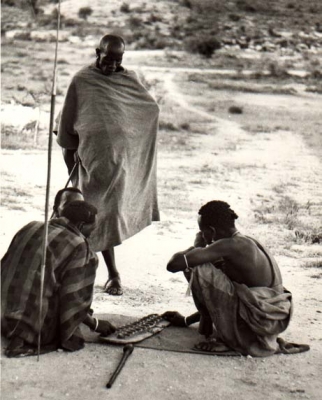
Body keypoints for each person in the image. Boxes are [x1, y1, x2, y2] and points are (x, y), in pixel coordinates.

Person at [56, 34, 160, 296]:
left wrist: (132, 137)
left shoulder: (129, 79)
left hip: (120, 165)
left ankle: (112, 274)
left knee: (108, 218)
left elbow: (150, 108)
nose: (113, 64)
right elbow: (67, 122)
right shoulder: (82, 80)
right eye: (108, 58)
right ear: (97, 52)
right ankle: (73, 273)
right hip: (91, 162)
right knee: (84, 216)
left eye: (118, 59)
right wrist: (72, 164)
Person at [164, 201, 308, 357]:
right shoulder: (243, 241)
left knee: (197, 266)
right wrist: (187, 320)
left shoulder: (230, 245)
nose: (201, 235)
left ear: (211, 231)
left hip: (263, 319)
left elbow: (173, 265)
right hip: (269, 319)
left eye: (202, 231)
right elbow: (225, 297)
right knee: (212, 265)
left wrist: (198, 246)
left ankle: (230, 341)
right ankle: (217, 326)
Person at [1, 199, 116, 358]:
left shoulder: (31, 225)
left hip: (2, 309)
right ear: (81, 226)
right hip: (28, 323)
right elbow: (73, 300)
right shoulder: (79, 245)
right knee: (64, 325)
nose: (92, 233)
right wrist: (95, 324)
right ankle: (22, 339)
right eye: (92, 229)